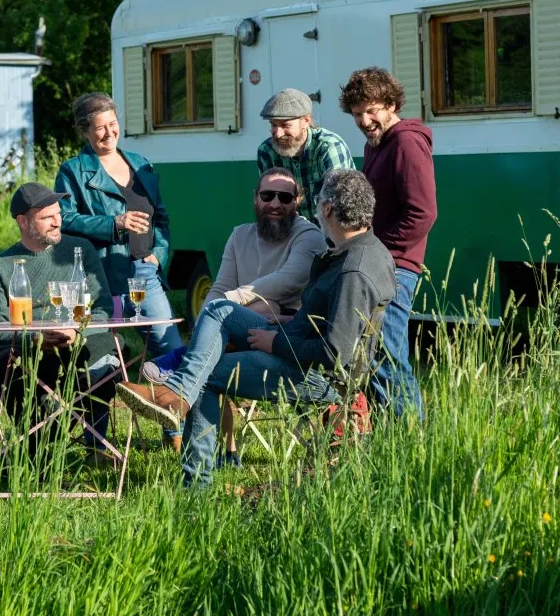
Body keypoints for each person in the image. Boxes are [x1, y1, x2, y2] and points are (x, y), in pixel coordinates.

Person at [118, 169, 395, 487]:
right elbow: (334, 322)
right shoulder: (360, 251)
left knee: (206, 374)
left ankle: (195, 483)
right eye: (268, 195)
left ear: (328, 209)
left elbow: (335, 355)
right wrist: (292, 322)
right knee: (221, 309)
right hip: (296, 341)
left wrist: (273, 343)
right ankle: (179, 391)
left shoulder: (354, 270)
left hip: (318, 376)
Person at [140, 167, 329, 463]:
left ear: (298, 200)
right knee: (212, 349)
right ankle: (213, 466)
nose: (276, 204)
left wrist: (230, 304)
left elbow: (289, 279)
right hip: (240, 333)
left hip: (284, 334)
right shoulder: (240, 235)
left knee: (259, 309)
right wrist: (217, 312)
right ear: (256, 198)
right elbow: (220, 287)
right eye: (268, 195)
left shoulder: (309, 235)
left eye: (285, 197)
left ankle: (179, 375)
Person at [54, 92, 184, 448]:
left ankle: (176, 432)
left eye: (113, 125)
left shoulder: (141, 163)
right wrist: (114, 223)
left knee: (170, 349)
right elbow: (62, 219)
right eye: (99, 129)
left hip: (144, 274)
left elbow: (162, 217)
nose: (109, 134)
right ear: (85, 132)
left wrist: (159, 253)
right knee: (100, 357)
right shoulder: (73, 171)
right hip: (98, 277)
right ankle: (97, 440)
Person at [0, 182, 118, 463]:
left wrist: (76, 330)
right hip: (30, 350)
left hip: (80, 342)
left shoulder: (81, 250)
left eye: (58, 213)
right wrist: (33, 338)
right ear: (23, 221)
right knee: (5, 366)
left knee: (108, 358)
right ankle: (38, 454)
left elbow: (103, 309)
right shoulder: (1, 265)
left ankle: (87, 447)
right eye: (47, 217)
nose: (58, 221)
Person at [340, 67, 437, 421]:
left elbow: (423, 213)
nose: (365, 121)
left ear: (392, 104)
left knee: (389, 358)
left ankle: (413, 442)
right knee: (373, 357)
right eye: (357, 114)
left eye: (372, 110)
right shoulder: (375, 145)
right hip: (377, 266)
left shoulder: (408, 143)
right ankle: (389, 441)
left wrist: (380, 254)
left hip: (395, 269)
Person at [255, 87, 354, 223]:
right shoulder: (266, 151)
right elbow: (269, 204)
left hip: (333, 232)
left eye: (285, 125)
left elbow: (340, 206)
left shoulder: (328, 147)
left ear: (306, 121)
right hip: (292, 233)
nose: (278, 134)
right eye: (273, 125)